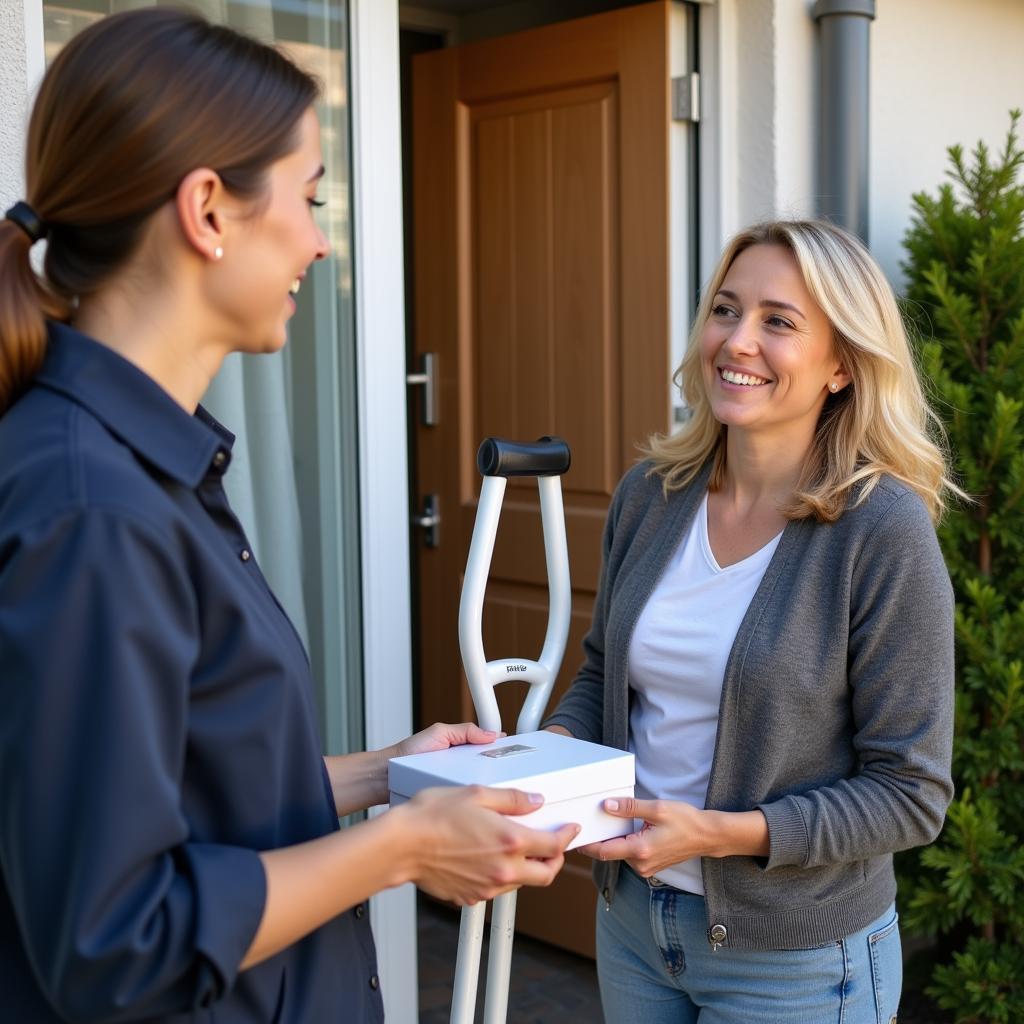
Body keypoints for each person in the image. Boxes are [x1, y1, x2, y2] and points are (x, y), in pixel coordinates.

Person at [0, 9, 577, 1023]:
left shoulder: (150, 469)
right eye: (311, 198)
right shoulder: (94, 507)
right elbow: (113, 941)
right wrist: (404, 846)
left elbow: (175, 784)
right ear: (209, 210)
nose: (320, 240)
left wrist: (382, 774)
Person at [544, 219, 957, 1023]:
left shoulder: (881, 531)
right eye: (726, 310)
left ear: (842, 364)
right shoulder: (651, 495)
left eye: (779, 321)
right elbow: (603, 675)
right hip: (634, 924)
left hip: (798, 962)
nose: (737, 341)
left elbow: (910, 792)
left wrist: (717, 834)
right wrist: (550, 757)